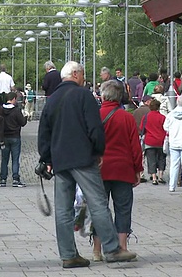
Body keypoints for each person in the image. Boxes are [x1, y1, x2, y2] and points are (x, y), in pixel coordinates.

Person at [38, 61, 137, 268]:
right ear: (75, 74)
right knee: (98, 202)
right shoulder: (84, 96)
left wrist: (46, 159)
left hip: (60, 160)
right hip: (82, 158)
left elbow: (44, 133)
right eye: (82, 75)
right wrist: (98, 151)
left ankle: (68, 255)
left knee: (63, 209)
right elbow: (94, 128)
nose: (83, 79)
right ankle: (112, 249)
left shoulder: (52, 99)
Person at [91, 80, 143, 259]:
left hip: (100, 170)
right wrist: (138, 169)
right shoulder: (127, 118)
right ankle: (121, 247)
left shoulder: (95, 116)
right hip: (123, 169)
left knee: (99, 209)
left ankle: (97, 250)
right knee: (123, 209)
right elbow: (135, 147)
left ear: (103, 95)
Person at [0, 92, 28, 187]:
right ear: (13, 99)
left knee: (4, 159)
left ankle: (3, 179)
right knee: (15, 159)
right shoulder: (16, 111)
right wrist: (26, 117)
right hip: (15, 136)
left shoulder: (1, 110)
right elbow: (22, 122)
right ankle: (15, 179)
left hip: (4, 137)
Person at [141, 99, 167, 185]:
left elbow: (142, 129)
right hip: (161, 141)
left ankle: (154, 178)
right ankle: (160, 176)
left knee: (151, 159)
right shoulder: (163, 117)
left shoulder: (146, 117)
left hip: (149, 141)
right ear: (158, 107)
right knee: (161, 158)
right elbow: (166, 129)